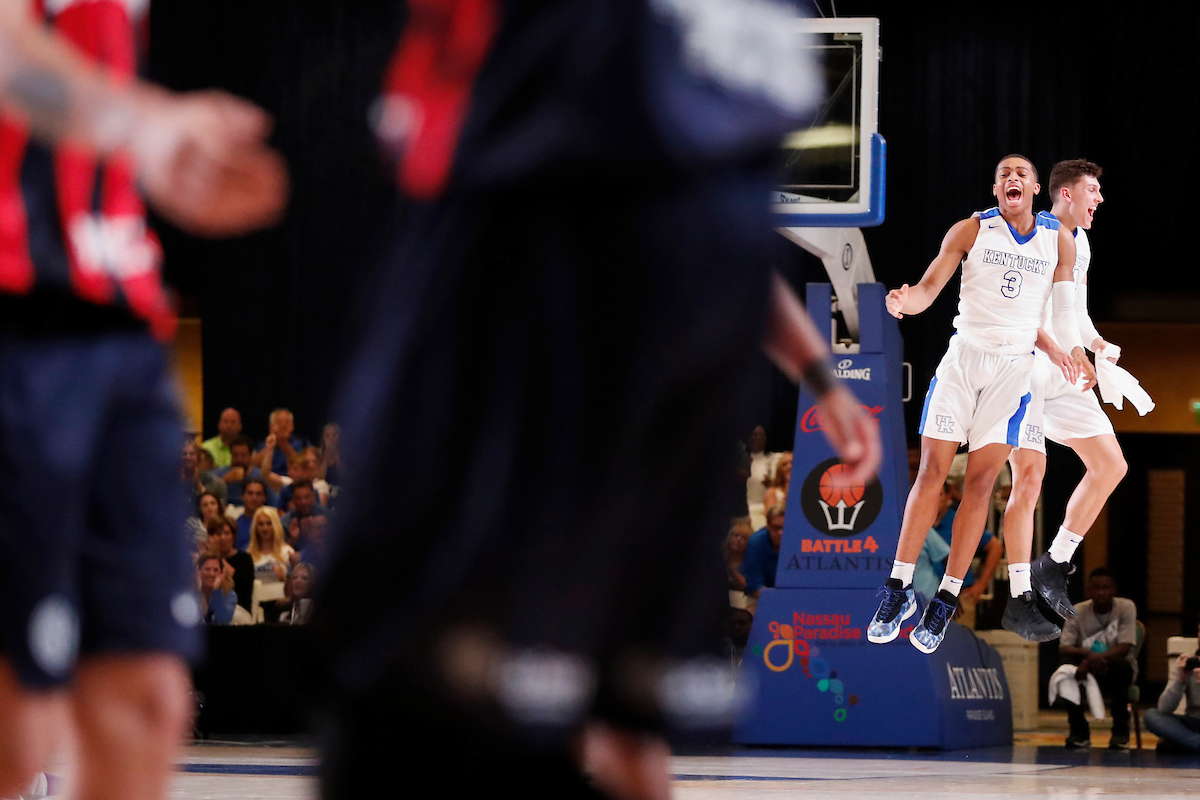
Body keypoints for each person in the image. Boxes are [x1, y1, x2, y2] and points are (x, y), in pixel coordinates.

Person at [316, 3, 881, 797]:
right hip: (550, 293)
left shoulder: (717, 65)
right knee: (436, 694)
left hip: (646, 331)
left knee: (606, 717)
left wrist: (819, 375)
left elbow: (723, 214)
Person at [0, 3, 285, 800]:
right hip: (18, 305)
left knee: (147, 697)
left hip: (120, 310)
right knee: (15, 732)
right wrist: (142, 127)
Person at [868, 154, 1091, 654]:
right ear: (996, 188)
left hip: (1013, 370)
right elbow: (930, 288)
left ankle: (944, 599)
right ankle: (898, 588)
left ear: (1035, 187)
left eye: (1022, 173)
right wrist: (905, 302)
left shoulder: (1058, 239)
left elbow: (1063, 310)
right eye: (1004, 174)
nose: (1013, 178)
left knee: (981, 482)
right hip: (964, 360)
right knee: (931, 472)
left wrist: (1074, 350)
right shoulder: (971, 230)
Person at [1001, 159, 1128, 641]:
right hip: (1027, 368)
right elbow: (1017, 309)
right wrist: (1069, 349)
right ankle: (1017, 599)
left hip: (1066, 369)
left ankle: (1053, 562)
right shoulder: (1034, 233)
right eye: (1093, 189)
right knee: (1030, 478)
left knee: (1110, 465)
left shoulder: (1084, 242)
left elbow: (1075, 310)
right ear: (1067, 194)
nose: (1100, 198)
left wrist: (1095, 344)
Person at [1055, 568, 1138, 749]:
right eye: (1097, 588)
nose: (1101, 592)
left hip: (1115, 668)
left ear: (1114, 590)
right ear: (1088, 591)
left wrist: (1088, 660)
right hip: (1087, 669)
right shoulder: (1076, 611)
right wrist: (1088, 656)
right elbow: (1064, 647)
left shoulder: (1126, 607)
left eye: (1106, 587)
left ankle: (1120, 733)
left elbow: (1125, 647)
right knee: (1065, 669)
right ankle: (1079, 732)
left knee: (1121, 666)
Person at [1144, 624, 1200, 752]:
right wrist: (1180, 679)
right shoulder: (1189, 662)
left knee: (1167, 743)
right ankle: (1194, 742)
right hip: (1192, 722)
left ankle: (1186, 743)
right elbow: (1164, 709)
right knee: (1151, 715)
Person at [739, 504, 786, 604]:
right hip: (761, 596)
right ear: (767, 526)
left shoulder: (800, 542)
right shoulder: (756, 542)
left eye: (784, 527)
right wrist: (780, 602)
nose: (780, 532)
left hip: (791, 597)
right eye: (776, 528)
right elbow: (754, 585)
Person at [206, 517, 254, 615]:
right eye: (218, 534)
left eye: (227, 533)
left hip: (238, 608)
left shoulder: (244, 558)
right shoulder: (208, 559)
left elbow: (234, 580)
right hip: (211, 606)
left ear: (233, 536)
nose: (223, 538)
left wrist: (217, 555)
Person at [248, 506, 294, 585]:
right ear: (255, 527)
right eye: (260, 524)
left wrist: (285, 577)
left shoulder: (287, 552)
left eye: (269, 523)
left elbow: (296, 584)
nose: (265, 528)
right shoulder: (249, 555)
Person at [196, 554, 237, 625]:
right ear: (198, 571)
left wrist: (216, 591)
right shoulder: (188, 592)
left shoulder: (229, 595)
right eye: (207, 569)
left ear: (222, 573)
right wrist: (198, 591)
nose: (212, 574)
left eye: (216, 570)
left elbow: (224, 619)